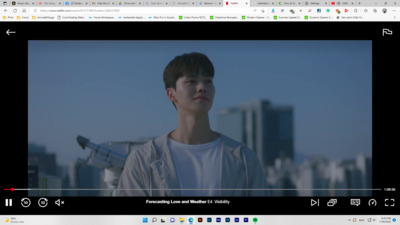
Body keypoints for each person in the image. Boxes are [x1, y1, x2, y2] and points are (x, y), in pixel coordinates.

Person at [116, 52, 268, 196]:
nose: (202, 87)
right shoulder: (143, 160)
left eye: (208, 81)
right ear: (171, 94)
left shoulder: (244, 159)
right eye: (191, 81)